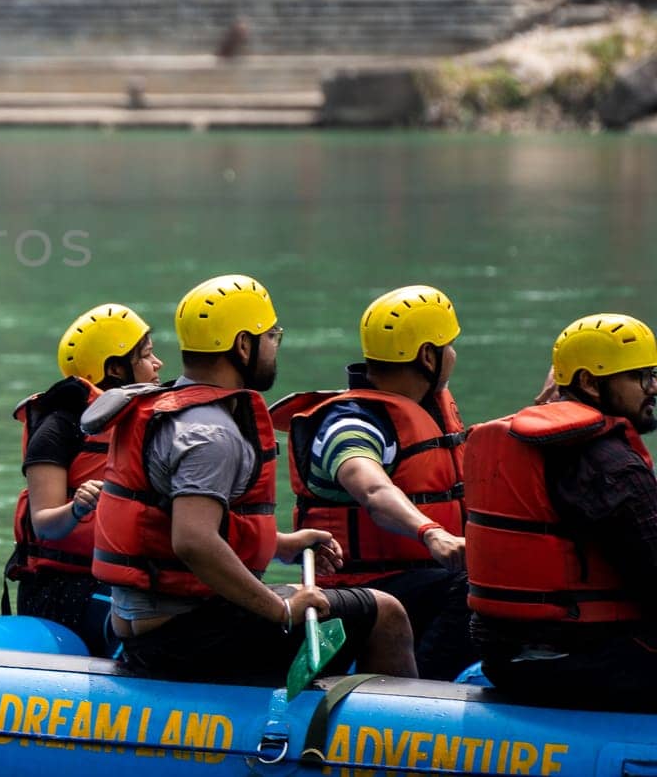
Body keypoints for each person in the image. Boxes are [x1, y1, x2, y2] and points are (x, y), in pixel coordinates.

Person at [83, 274, 417, 684]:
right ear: (243, 345)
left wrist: (283, 545)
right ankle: (391, 738)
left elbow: (191, 524)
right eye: (271, 335)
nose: (275, 346)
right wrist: (281, 611)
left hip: (150, 628)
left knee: (321, 598)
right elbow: (193, 541)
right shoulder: (212, 433)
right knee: (385, 612)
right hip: (184, 642)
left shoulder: (172, 410)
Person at [271, 286, 476, 680]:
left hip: (418, 583)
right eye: (449, 346)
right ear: (428, 356)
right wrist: (432, 534)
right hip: (360, 592)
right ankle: (430, 693)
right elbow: (373, 490)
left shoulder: (426, 411)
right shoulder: (351, 422)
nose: (454, 355)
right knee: (469, 586)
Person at [467, 313, 657, 708]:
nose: (652, 388)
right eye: (640, 376)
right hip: (582, 663)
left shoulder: (527, 442)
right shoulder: (612, 465)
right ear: (589, 382)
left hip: (505, 660)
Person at [6, 304, 164, 654]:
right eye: (147, 355)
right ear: (115, 368)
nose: (158, 365)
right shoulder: (58, 428)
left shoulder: (146, 426)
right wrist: (77, 509)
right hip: (63, 591)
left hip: (122, 582)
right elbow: (44, 523)